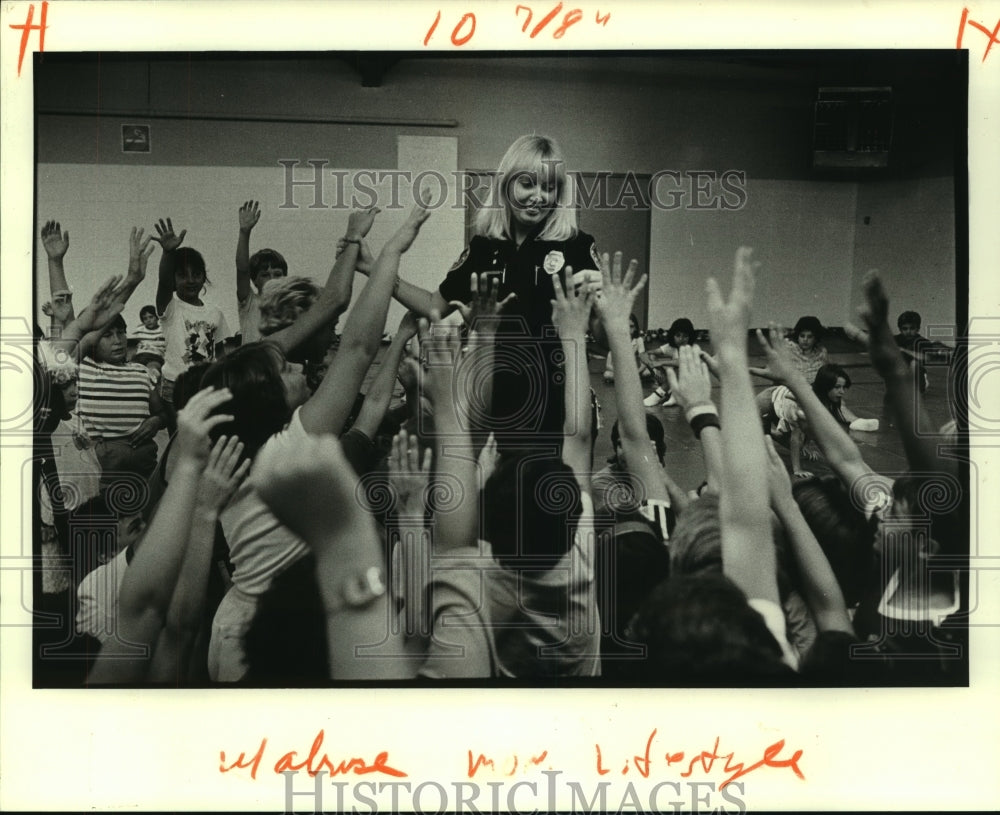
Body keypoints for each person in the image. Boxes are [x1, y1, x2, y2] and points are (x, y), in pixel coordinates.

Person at [364, 134, 604, 450]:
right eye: (528, 184)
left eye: (549, 187)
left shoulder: (577, 246)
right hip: (494, 398)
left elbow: (602, 336)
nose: (538, 196)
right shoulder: (483, 247)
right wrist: (375, 270)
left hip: (558, 400)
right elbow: (435, 306)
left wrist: (605, 311)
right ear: (506, 185)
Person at [151, 218, 232, 411]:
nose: (190, 280)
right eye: (182, 275)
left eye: (196, 274)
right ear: (173, 279)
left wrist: (224, 379)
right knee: (178, 434)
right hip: (174, 384)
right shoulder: (171, 308)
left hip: (205, 383)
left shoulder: (215, 312)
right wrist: (168, 252)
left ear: (204, 277)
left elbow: (219, 351)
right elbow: (163, 283)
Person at [642, 316, 696, 406]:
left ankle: (658, 394)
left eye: (685, 336)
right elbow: (647, 354)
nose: (681, 339)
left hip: (691, 389)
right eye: (678, 335)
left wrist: (660, 363)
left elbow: (681, 362)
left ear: (690, 337)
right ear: (673, 335)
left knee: (679, 368)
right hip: (676, 384)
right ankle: (672, 393)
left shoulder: (693, 349)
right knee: (653, 356)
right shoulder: (671, 347)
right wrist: (656, 368)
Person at [603, 313, 646, 384]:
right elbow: (608, 365)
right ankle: (630, 380)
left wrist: (637, 372)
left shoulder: (639, 340)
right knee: (607, 374)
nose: (628, 330)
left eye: (631, 326)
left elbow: (644, 361)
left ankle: (628, 381)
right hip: (620, 371)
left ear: (636, 328)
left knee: (647, 372)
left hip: (634, 370)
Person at [130, 305, 166, 381]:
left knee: (154, 365)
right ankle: (135, 376)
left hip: (155, 356)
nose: (148, 320)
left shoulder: (163, 330)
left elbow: (168, 345)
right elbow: (131, 341)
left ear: (156, 317)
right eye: (145, 318)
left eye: (151, 317)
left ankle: (153, 375)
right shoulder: (140, 330)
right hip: (140, 355)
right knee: (134, 366)